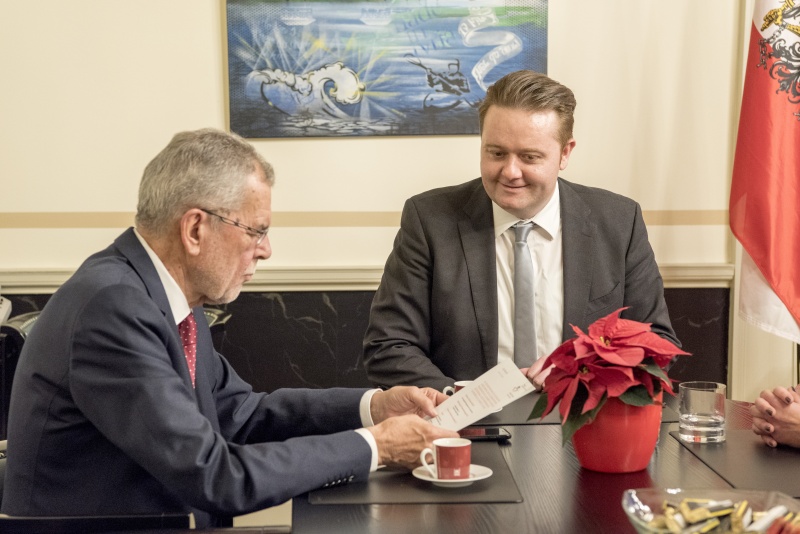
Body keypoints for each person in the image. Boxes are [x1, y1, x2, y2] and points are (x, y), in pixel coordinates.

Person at [1, 129, 457, 528]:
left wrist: (374, 407)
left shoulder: (166, 292)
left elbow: (240, 414)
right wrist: (375, 447)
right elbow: (214, 474)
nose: (267, 250)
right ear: (195, 229)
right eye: (255, 231)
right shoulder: (113, 308)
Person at [363, 70, 679, 393]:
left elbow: (658, 345)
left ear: (565, 153)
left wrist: (583, 370)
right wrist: (464, 401)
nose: (510, 172)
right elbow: (388, 346)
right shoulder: (429, 221)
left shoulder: (619, 223)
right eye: (496, 153)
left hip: (581, 428)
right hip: (466, 431)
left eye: (529, 157)